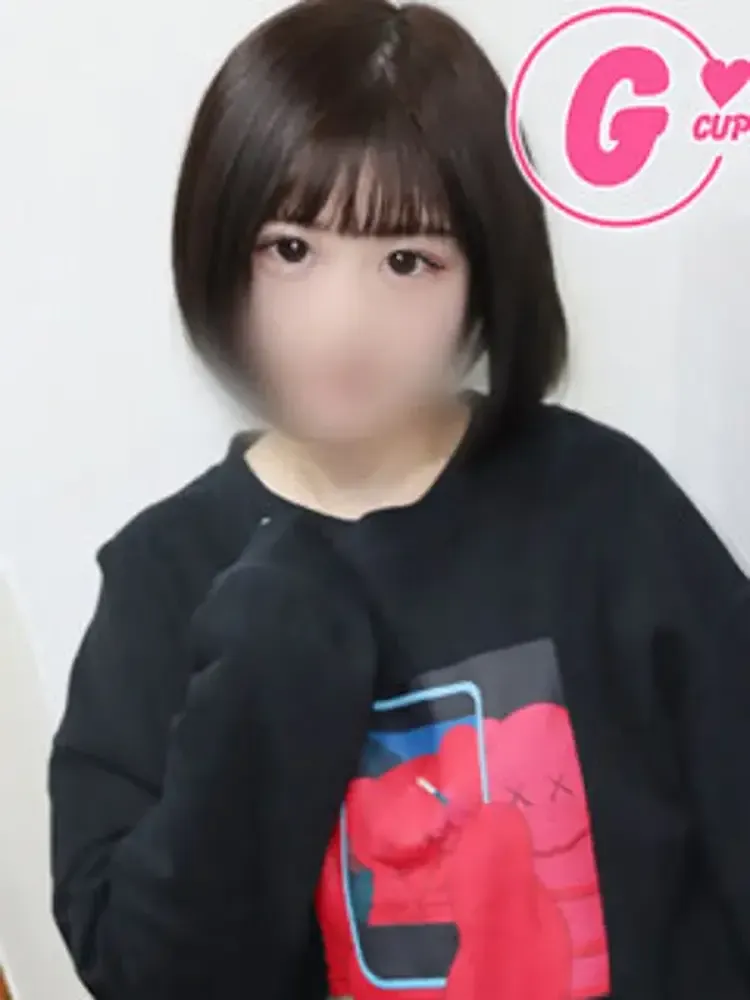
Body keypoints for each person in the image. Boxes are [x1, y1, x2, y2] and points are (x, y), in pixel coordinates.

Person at [48, 0, 750, 998]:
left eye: (408, 259)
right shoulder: (165, 577)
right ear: (219, 245)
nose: (344, 322)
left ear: (487, 276)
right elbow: (147, 975)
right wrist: (266, 660)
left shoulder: (603, 505)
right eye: (292, 248)